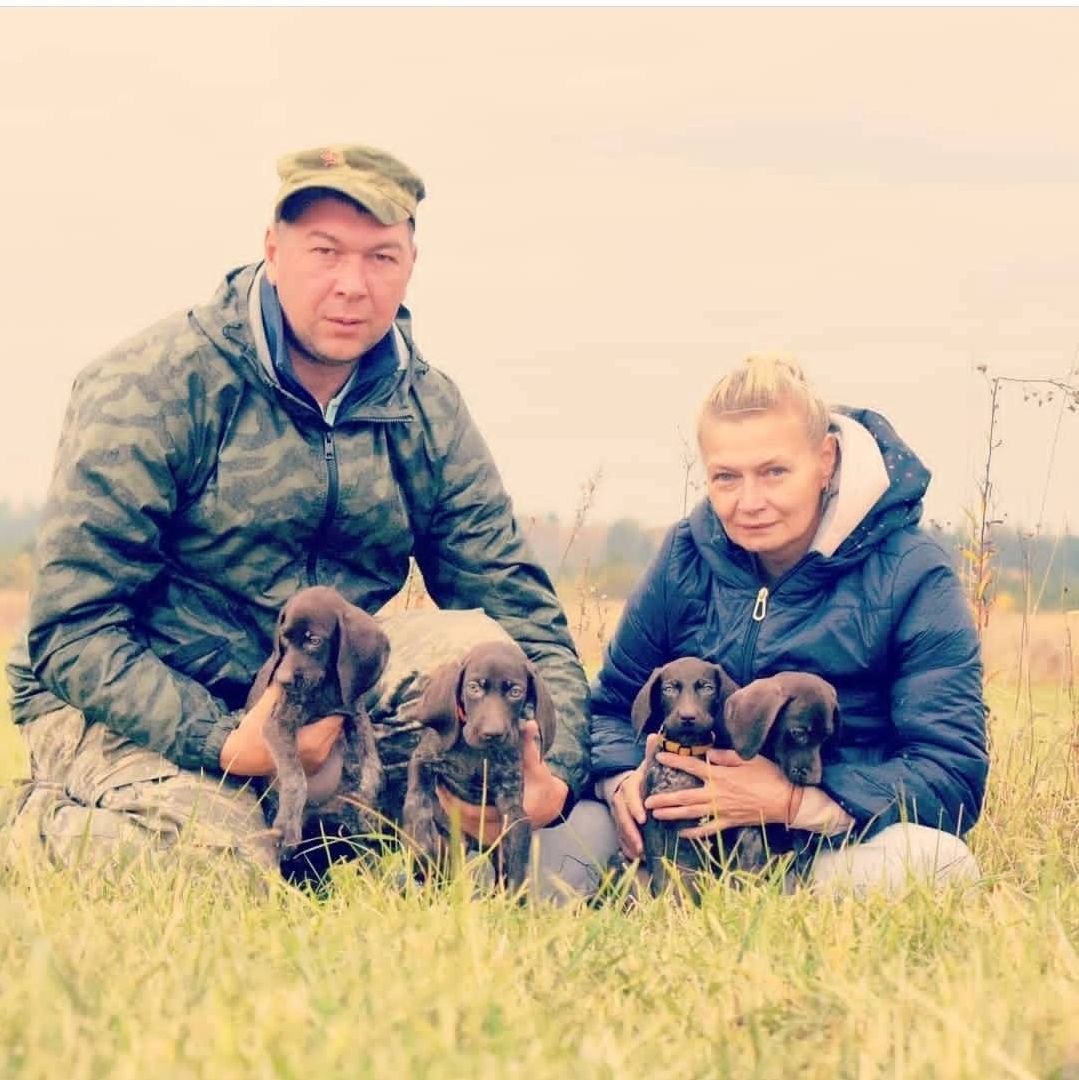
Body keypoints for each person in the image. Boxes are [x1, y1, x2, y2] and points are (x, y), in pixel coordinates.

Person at [3, 143, 610, 897]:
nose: (352, 284)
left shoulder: (427, 409)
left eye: (381, 257)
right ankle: (35, 824)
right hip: (138, 697)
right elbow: (71, 627)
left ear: (411, 264)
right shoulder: (152, 385)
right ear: (272, 249)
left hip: (323, 699)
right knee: (219, 877)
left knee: (474, 656)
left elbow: (524, 621)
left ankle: (325, 832)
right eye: (325, 252)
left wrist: (551, 773)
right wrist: (222, 739)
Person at [587, 356, 989, 894]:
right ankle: (661, 888)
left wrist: (791, 801)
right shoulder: (684, 556)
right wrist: (621, 783)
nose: (749, 502)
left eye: (774, 472)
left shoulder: (913, 572)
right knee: (559, 847)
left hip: (825, 845)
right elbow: (609, 707)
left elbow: (951, 771)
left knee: (941, 865)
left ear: (825, 460)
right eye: (726, 477)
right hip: (676, 837)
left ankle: (785, 892)